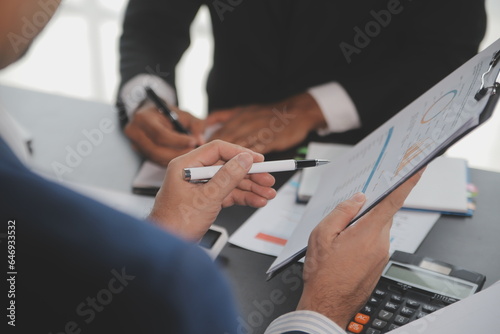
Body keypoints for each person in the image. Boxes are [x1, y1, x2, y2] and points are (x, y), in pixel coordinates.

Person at [0, 1, 423, 333]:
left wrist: (164, 233)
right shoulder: (181, 281)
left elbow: (445, 44)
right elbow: (154, 16)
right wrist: (325, 308)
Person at [117, 0, 486, 166]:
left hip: (380, 147)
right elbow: (153, 23)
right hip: (226, 142)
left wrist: (312, 108)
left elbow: (448, 54)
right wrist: (146, 99)